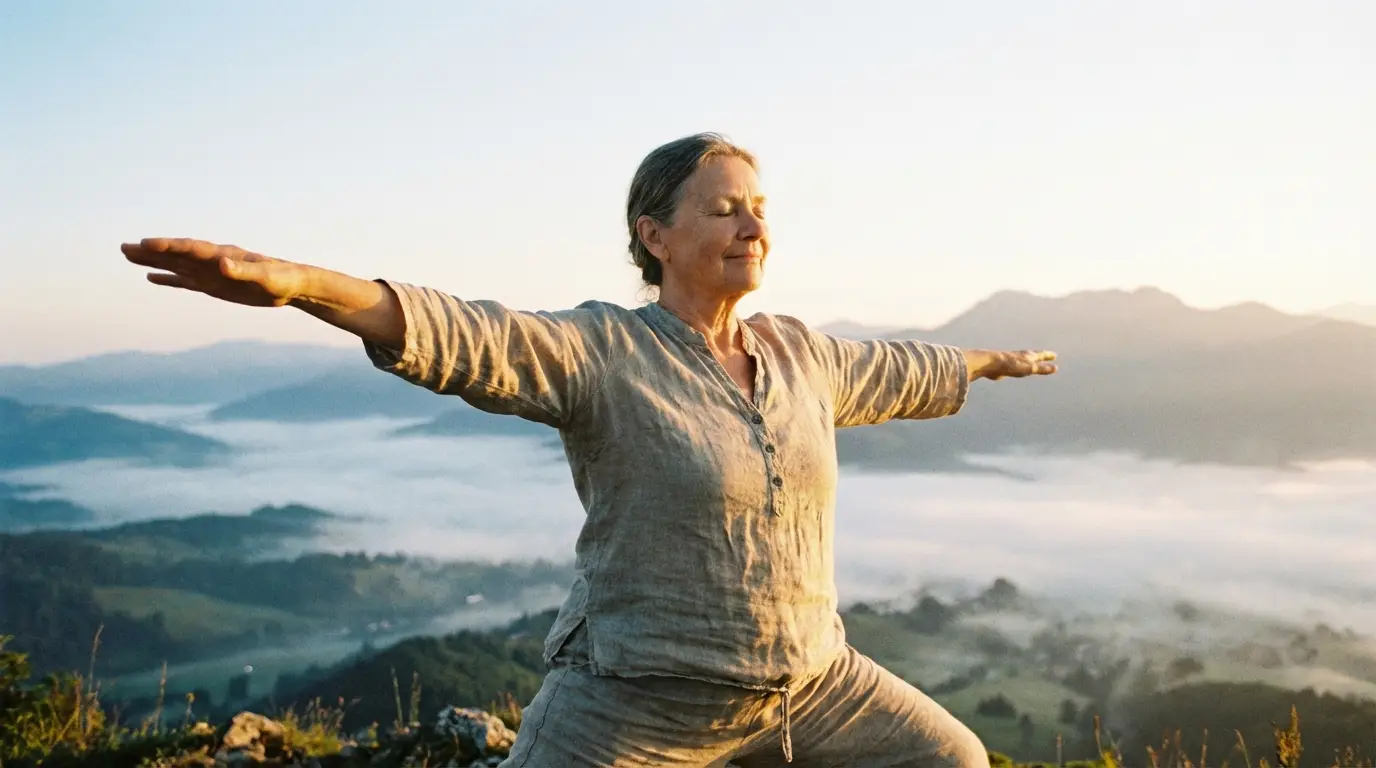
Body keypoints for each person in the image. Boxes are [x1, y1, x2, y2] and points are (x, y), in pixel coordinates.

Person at [122, 132, 1057, 767]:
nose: (753, 225)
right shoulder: (603, 351)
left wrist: (986, 360)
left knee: (952, 759)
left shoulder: (800, 354)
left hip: (810, 682)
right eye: (725, 208)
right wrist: (296, 284)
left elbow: (897, 366)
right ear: (654, 235)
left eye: (760, 208)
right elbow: (465, 334)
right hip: (637, 695)